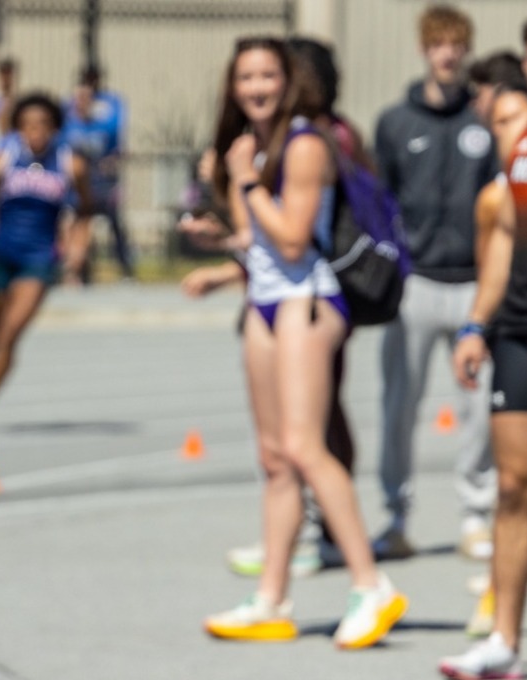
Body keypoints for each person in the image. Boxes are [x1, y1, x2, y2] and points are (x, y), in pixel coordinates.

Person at [202, 37, 406, 648]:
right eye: (246, 78)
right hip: (263, 303)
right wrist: (220, 237)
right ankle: (271, 597)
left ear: (287, 81)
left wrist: (246, 182)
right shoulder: (252, 147)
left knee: (306, 447)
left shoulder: (306, 143)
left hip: (306, 301)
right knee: (274, 458)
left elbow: (292, 240)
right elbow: (255, 237)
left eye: (268, 75)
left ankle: (371, 586)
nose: (257, 87)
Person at [373, 5, 498, 565]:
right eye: (438, 44)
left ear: (466, 51)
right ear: (425, 49)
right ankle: (396, 515)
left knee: (478, 408)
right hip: (415, 284)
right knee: (400, 404)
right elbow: (382, 203)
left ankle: (476, 515)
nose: (448, 54)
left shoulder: (483, 121)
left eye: (457, 45)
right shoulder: (396, 122)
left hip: (474, 283)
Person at [442, 64, 527, 680]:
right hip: (522, 330)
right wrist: (476, 324)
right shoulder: (518, 158)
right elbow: (502, 240)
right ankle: (503, 637)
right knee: (513, 485)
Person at [0, 93, 90, 435]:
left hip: (39, 260)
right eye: (28, 125)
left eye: (43, 125)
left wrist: (77, 247)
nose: (36, 132)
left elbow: (86, 211)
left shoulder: (68, 162)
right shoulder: (5, 158)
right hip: (2, 256)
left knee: (9, 335)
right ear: (18, 128)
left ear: (54, 128)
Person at [63, 65, 133, 283]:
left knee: (113, 222)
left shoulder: (106, 114)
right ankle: (76, 270)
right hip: (77, 181)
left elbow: (116, 140)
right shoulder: (70, 120)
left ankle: (125, 268)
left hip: (102, 180)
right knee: (76, 221)